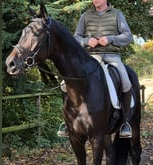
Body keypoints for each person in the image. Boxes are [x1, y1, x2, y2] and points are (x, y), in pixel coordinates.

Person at [57, 0, 133, 138]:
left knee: (126, 82)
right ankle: (67, 122)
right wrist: (86, 41)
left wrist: (111, 39)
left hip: (112, 56)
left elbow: (128, 36)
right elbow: (75, 37)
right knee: (64, 85)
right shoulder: (85, 16)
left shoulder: (117, 14)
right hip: (90, 58)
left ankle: (125, 123)